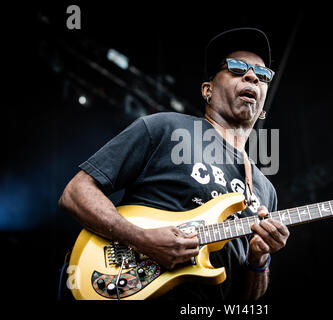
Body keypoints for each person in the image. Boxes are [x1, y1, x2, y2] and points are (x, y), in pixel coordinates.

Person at [58, 27, 289, 301]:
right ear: (208, 90)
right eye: (238, 67)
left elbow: (246, 298)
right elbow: (75, 193)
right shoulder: (165, 127)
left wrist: (258, 258)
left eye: (262, 74)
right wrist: (141, 239)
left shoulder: (264, 190)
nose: (252, 76)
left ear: (262, 103)